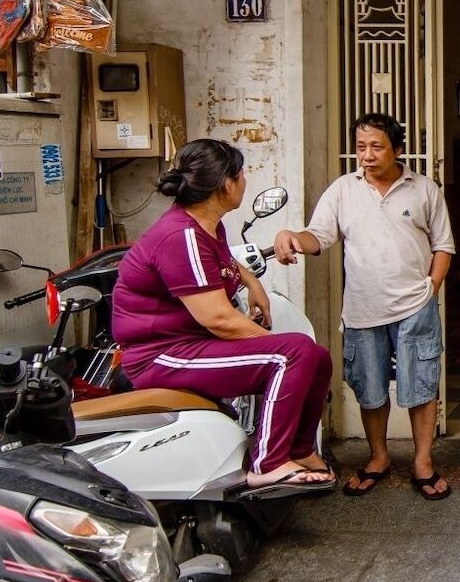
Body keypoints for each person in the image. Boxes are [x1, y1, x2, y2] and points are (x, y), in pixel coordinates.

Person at [112, 139, 335, 490]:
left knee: (317, 356)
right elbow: (219, 319)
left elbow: (221, 262)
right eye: (242, 173)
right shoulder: (181, 236)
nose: (246, 181)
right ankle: (268, 463)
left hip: (190, 345)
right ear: (226, 185)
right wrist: (284, 347)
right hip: (163, 356)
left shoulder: (207, 226)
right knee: (294, 354)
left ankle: (301, 448)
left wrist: (252, 282)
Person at [274, 112, 457, 500]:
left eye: (376, 147)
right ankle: (378, 458)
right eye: (361, 147)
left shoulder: (424, 189)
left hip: (415, 307)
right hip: (362, 308)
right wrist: (291, 236)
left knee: (421, 385)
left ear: (398, 150)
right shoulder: (343, 190)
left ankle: (423, 462)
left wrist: (431, 288)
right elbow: (319, 237)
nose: (367, 155)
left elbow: (444, 246)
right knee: (369, 387)